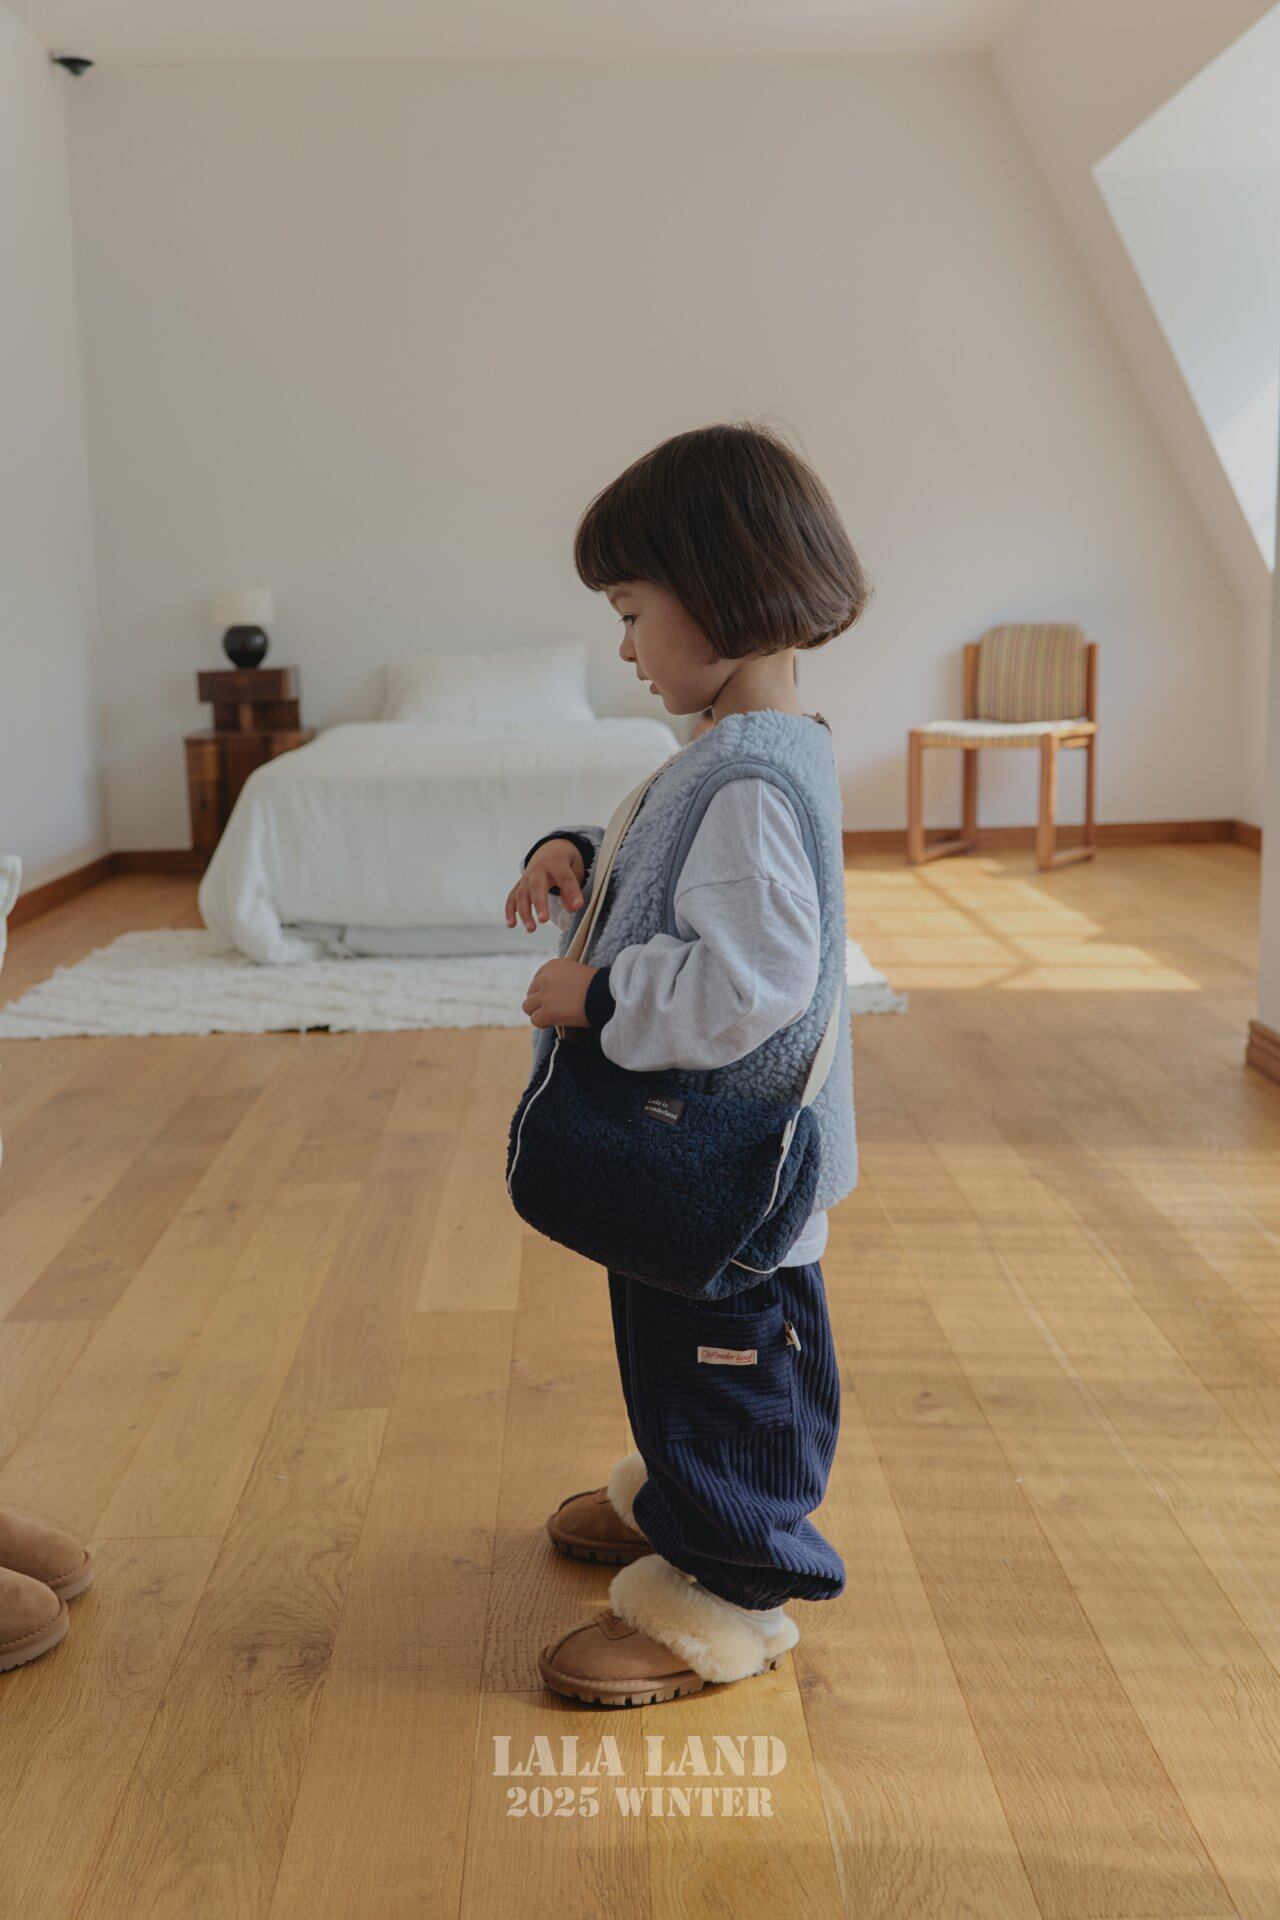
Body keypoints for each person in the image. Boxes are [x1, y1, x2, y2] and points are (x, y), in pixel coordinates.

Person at [505, 419, 869, 1706]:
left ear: (719, 593)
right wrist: (577, 853)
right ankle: (678, 1497)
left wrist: (599, 994)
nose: (622, 646)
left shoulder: (749, 778)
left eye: (629, 611)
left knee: (730, 1377)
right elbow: (687, 883)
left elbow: (751, 987)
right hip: (697, 1162)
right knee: (674, 1346)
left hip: (728, 1166)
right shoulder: (737, 753)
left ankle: (726, 1591)